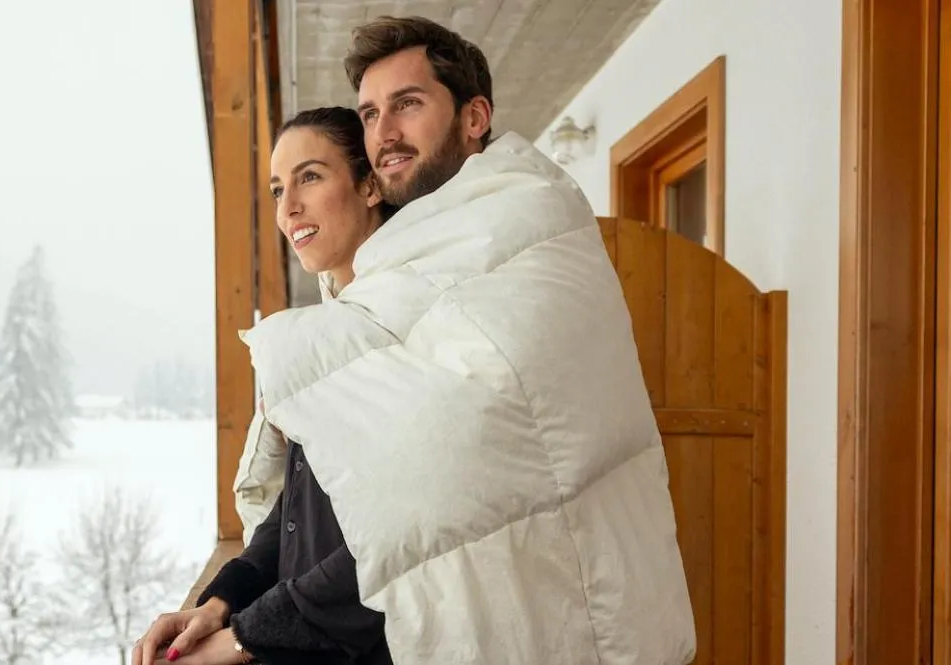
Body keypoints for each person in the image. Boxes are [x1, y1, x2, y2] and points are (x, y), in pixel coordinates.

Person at [231, 15, 695, 665]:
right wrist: (230, 596)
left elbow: (440, 493)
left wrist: (247, 630)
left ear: (474, 116)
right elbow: (318, 496)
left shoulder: (523, 232)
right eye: (369, 114)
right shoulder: (387, 283)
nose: (383, 134)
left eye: (407, 105)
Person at [129, 106, 396, 665]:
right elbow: (299, 509)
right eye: (278, 188)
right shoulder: (322, 333)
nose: (288, 207)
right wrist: (222, 601)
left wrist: (243, 638)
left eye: (311, 177)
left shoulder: (396, 332)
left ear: (369, 185)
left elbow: (390, 541)